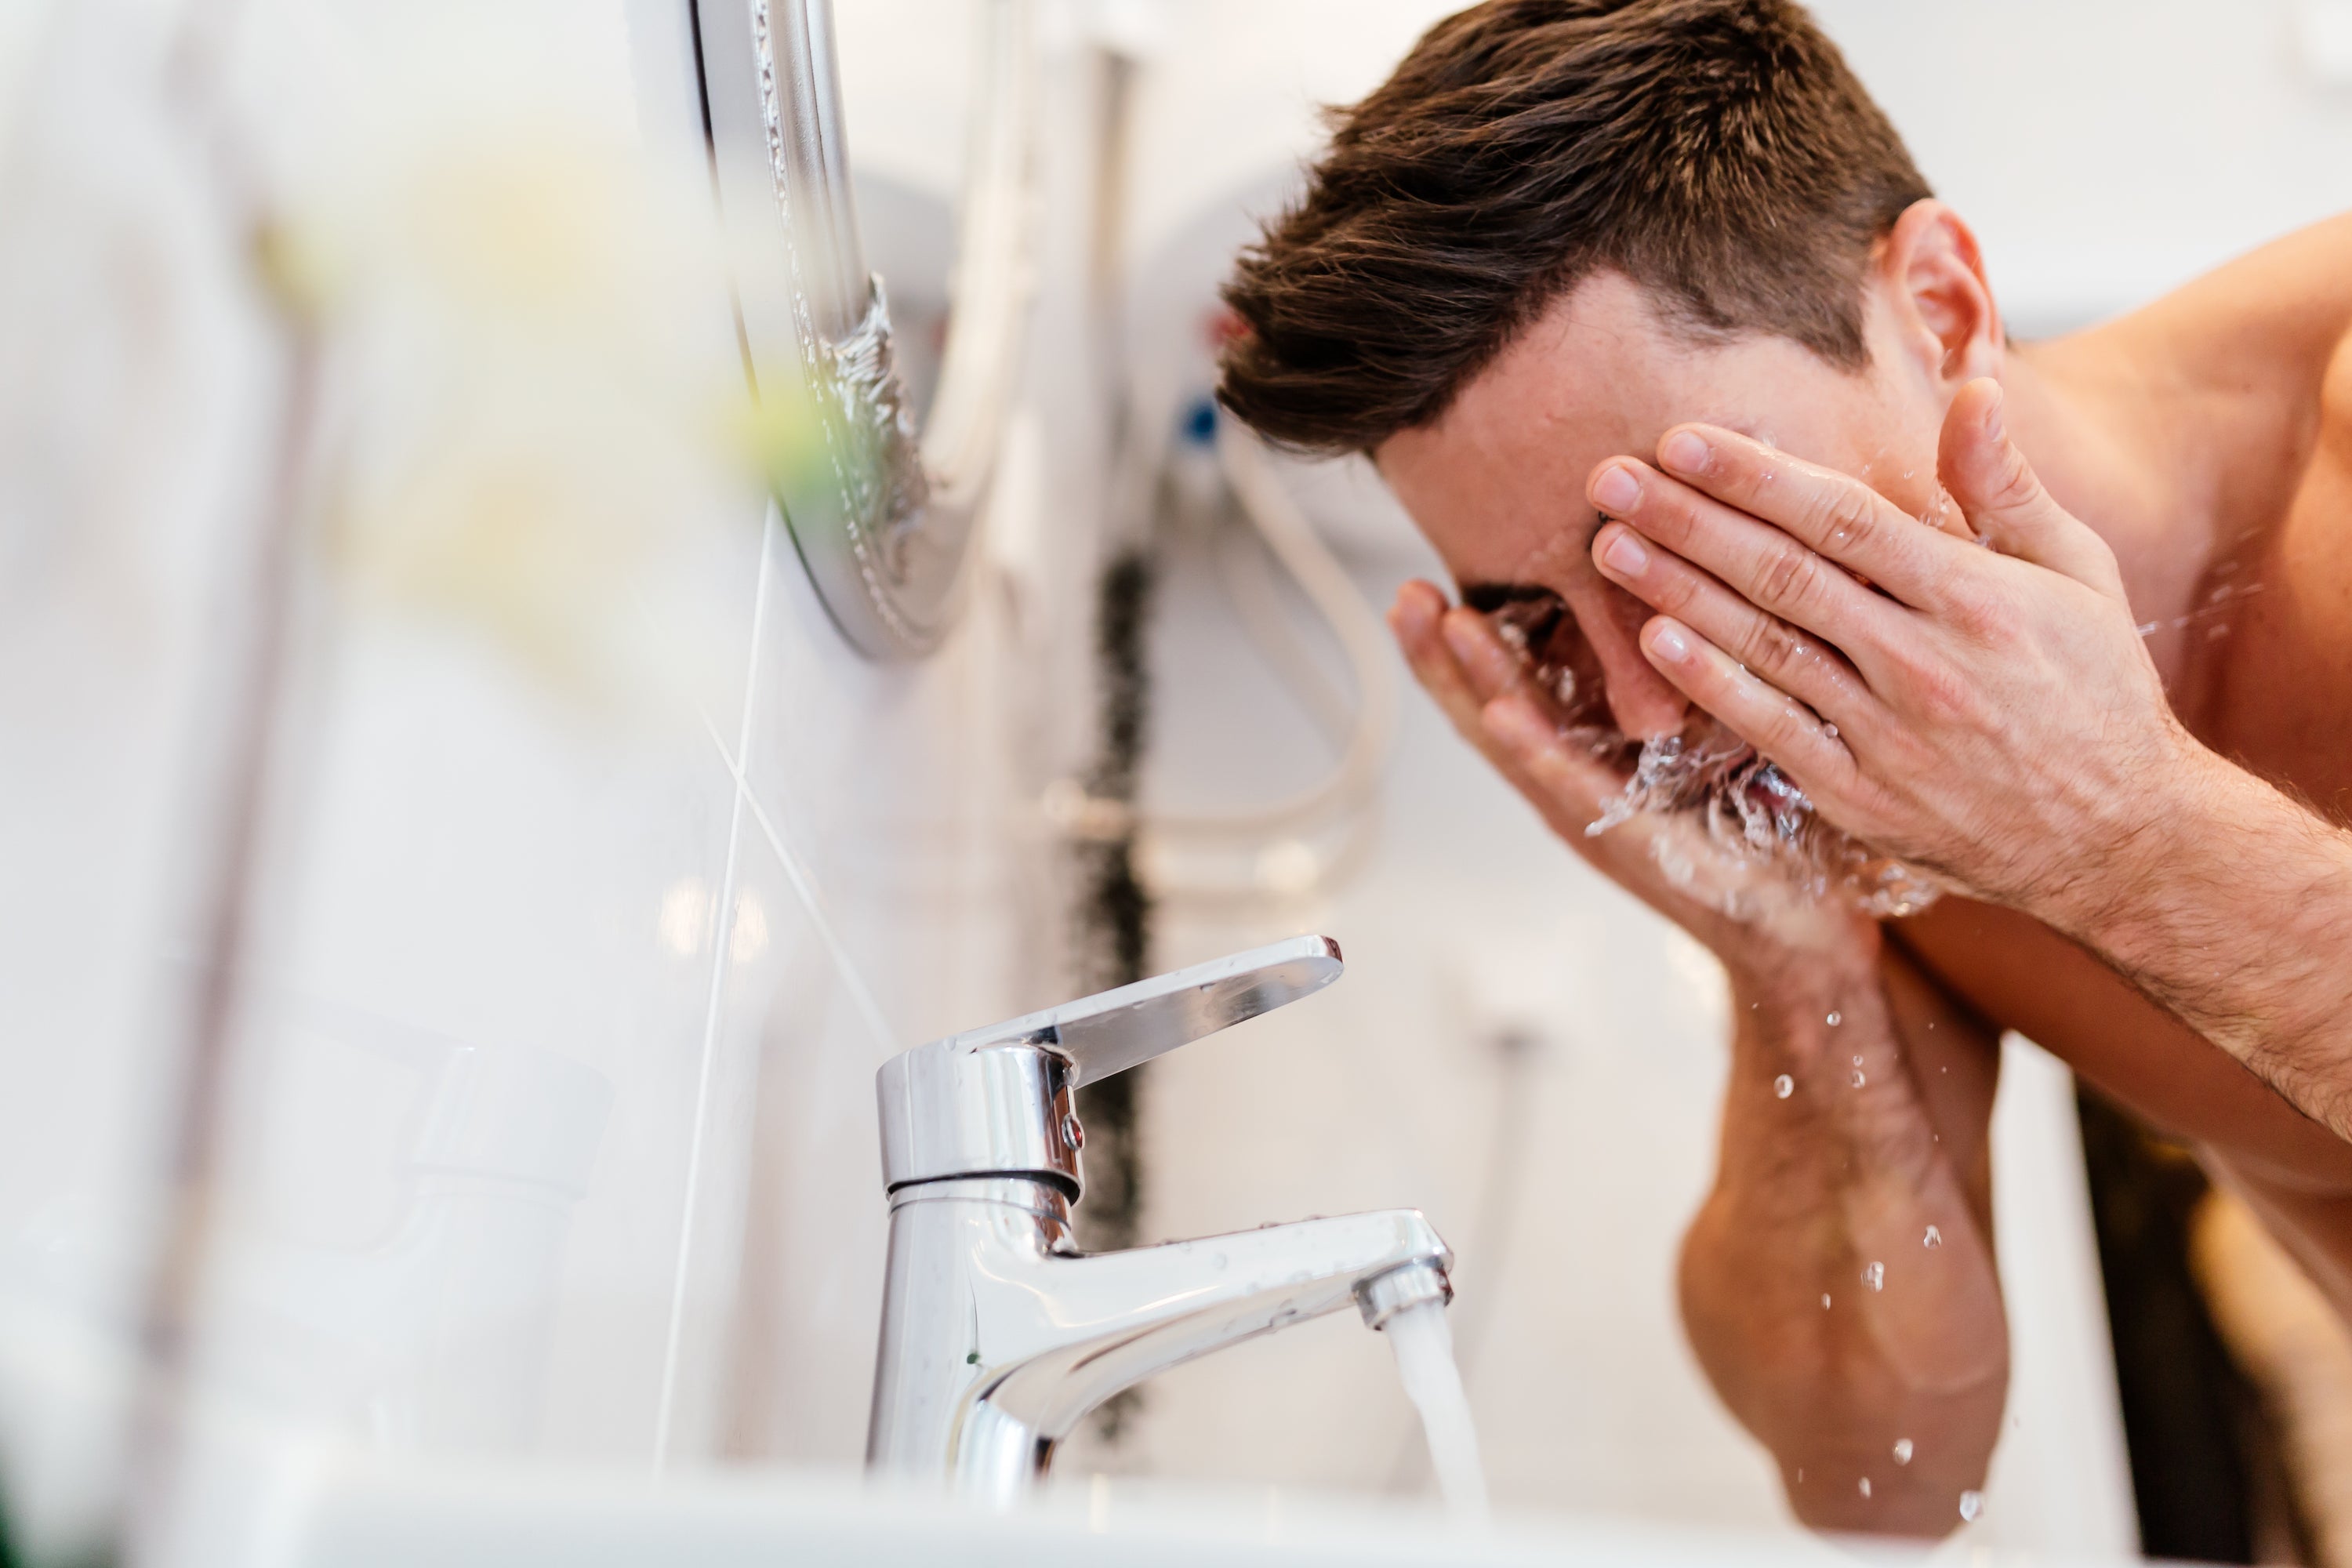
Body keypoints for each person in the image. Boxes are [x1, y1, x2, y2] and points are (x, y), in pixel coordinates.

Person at [1214, 0, 2352, 1539]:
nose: (1656, 710)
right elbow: (1880, 1467)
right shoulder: (1849, 756)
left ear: (1942, 309)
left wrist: (2120, 836)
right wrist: (1795, 963)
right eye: (1540, 612)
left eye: (1697, 547)